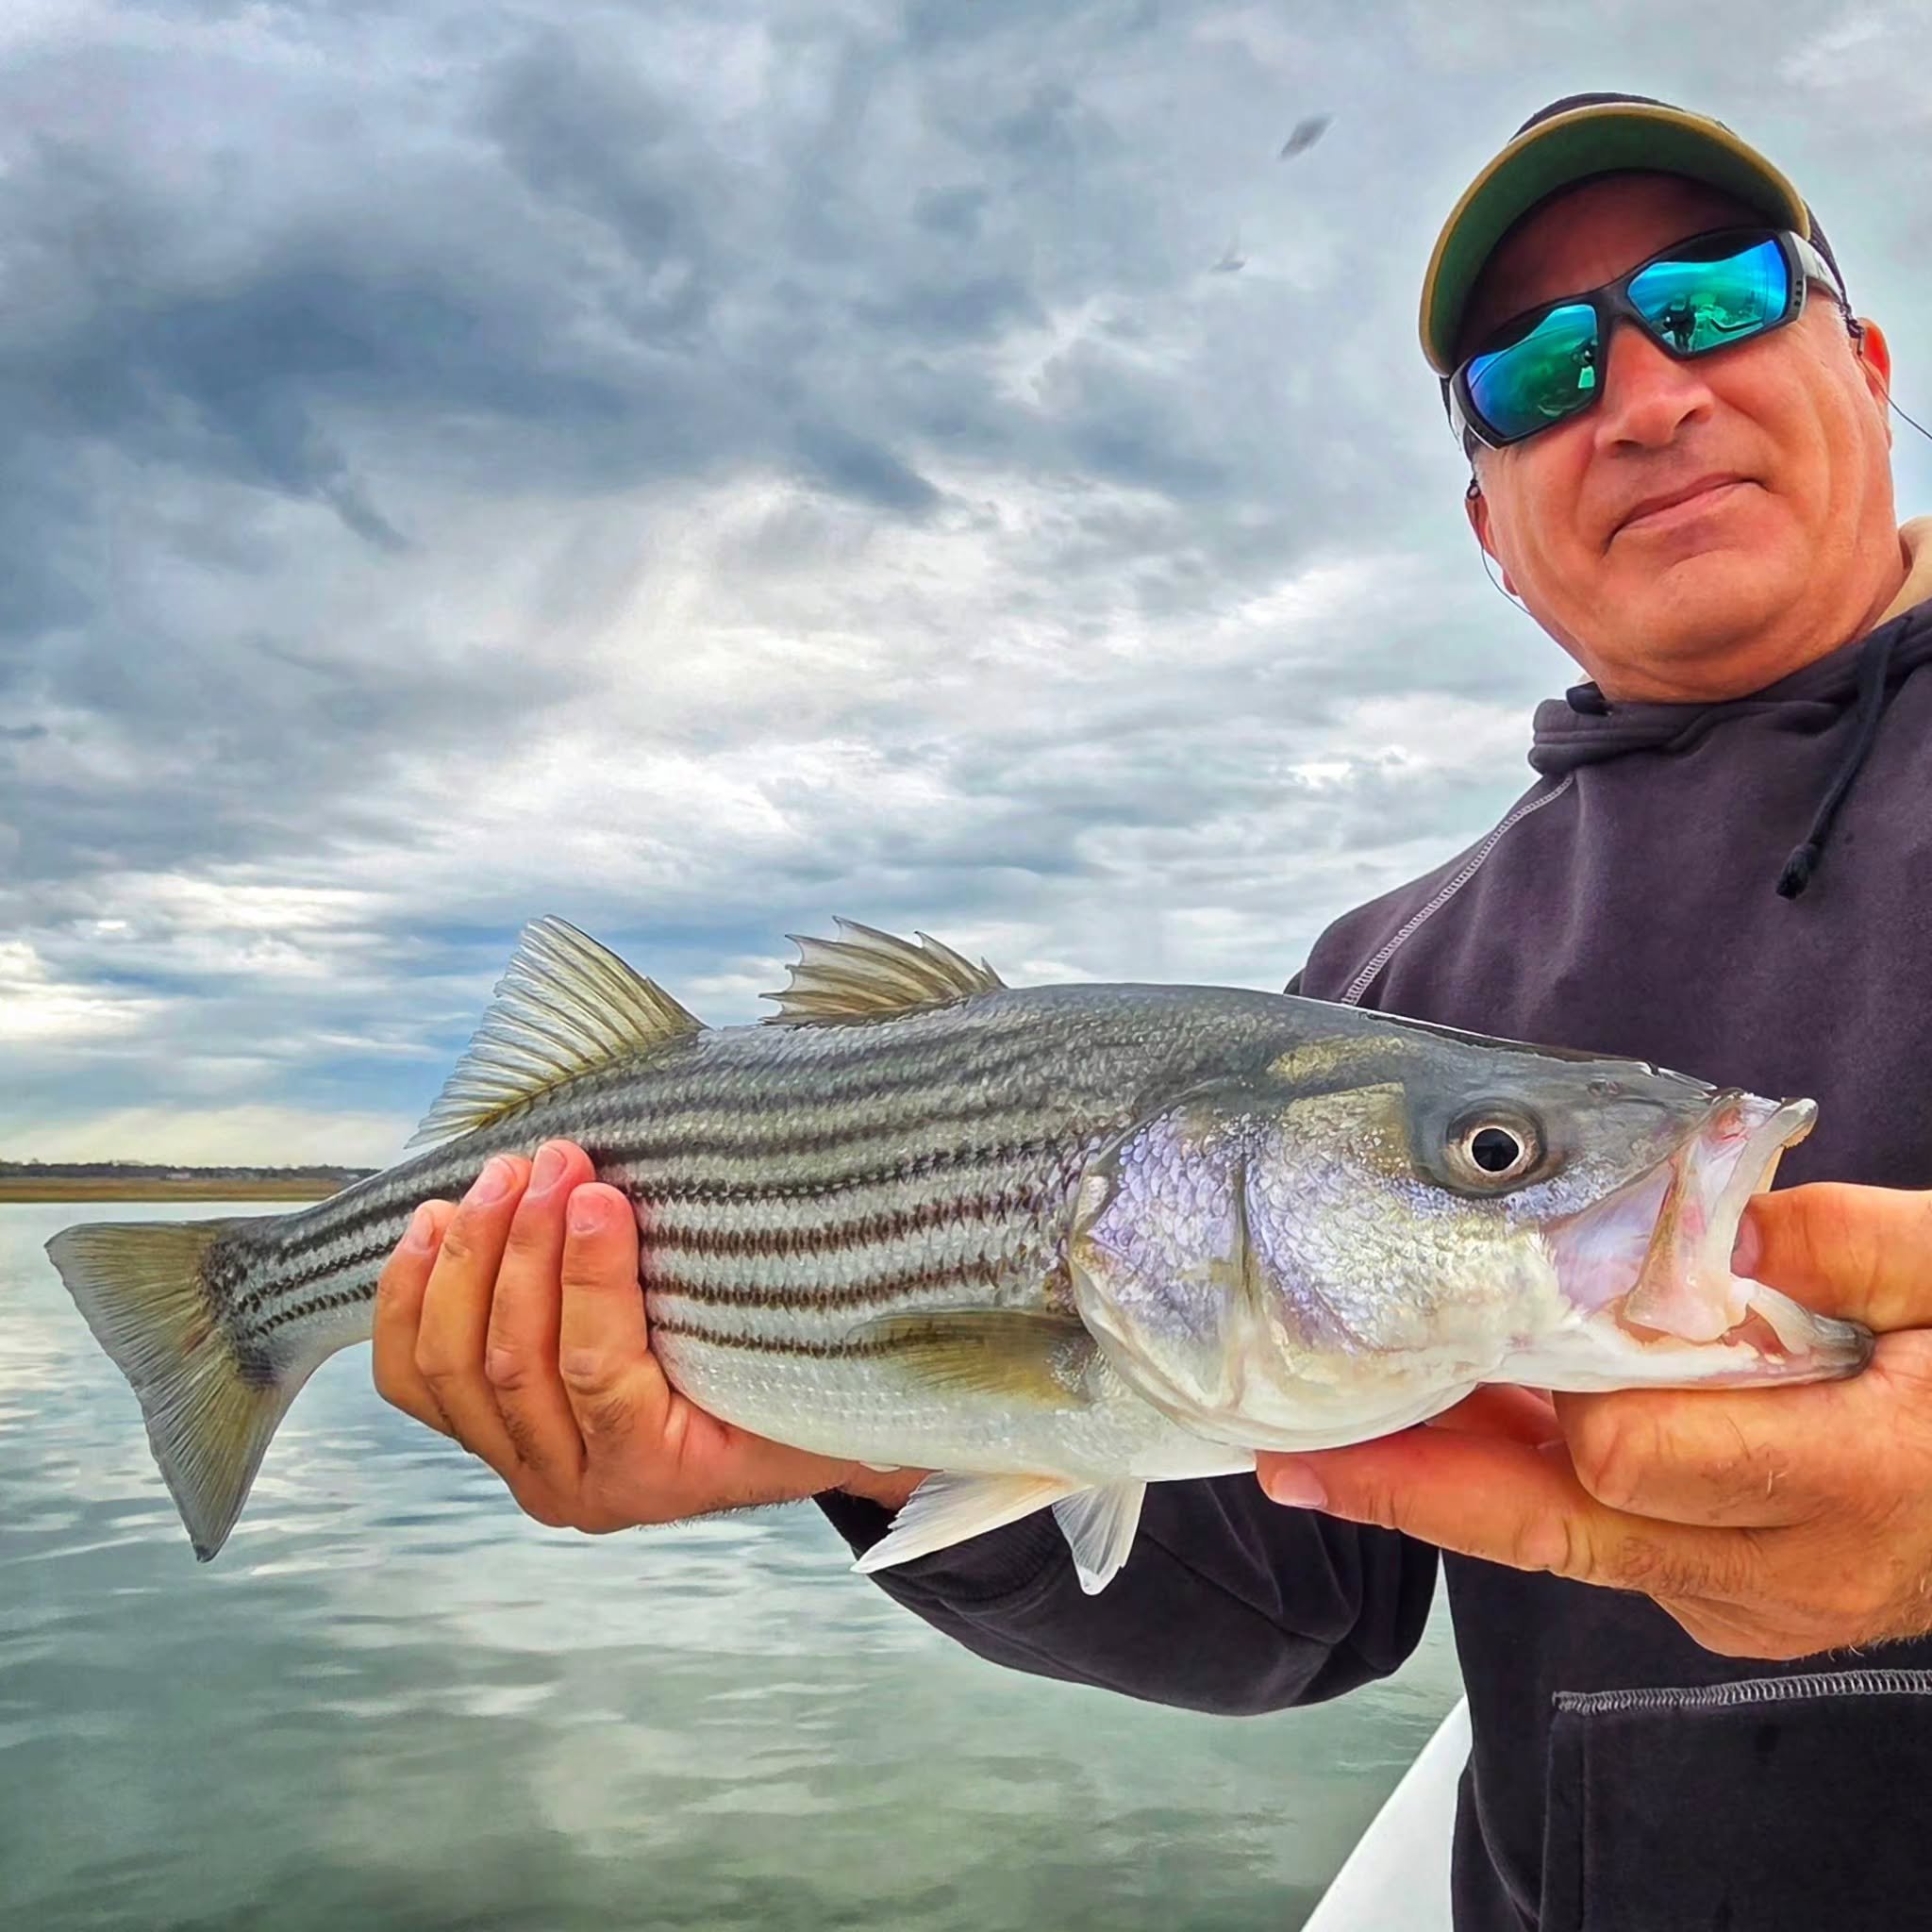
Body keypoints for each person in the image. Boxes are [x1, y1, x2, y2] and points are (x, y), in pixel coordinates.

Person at [371, 94, 1932, 1931]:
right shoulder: (1391, 976)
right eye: (1537, 372)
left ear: (1866, 355)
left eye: (1714, 299)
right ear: (1488, 527)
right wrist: (845, 1430)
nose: (1644, 396)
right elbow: (1290, 1600)